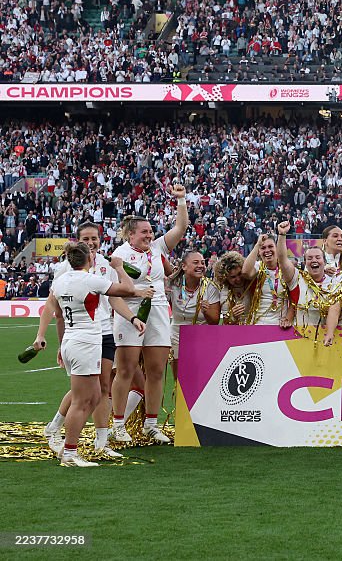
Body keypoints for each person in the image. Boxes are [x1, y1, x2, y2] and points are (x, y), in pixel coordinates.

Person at [41, 222, 153, 458]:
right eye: (87, 239)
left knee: (103, 387)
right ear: (79, 241)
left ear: (100, 240)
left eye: (95, 238)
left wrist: (132, 318)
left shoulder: (104, 263)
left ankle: (101, 442)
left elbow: (113, 298)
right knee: (84, 390)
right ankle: (54, 428)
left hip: (104, 332)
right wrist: (59, 342)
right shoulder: (65, 269)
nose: (91, 243)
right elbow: (55, 309)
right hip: (82, 336)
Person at [110, 183, 190, 445]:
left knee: (157, 371)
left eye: (150, 231)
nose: (149, 235)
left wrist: (181, 200)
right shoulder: (119, 256)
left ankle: (151, 425)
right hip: (129, 314)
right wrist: (133, 307)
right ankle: (118, 424)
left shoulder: (156, 249)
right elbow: (114, 295)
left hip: (157, 312)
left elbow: (181, 228)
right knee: (126, 370)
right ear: (130, 235)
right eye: (144, 232)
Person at [277, 221, 342, 339]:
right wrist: (282, 235)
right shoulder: (297, 278)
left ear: (325, 262)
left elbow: (336, 311)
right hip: (300, 337)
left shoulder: (335, 284)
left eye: (318, 257)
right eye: (310, 258)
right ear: (305, 263)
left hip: (326, 339)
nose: (314, 260)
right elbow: (282, 259)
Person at [168, 251, 220, 378]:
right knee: (179, 379)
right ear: (184, 266)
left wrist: (206, 311)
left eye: (202, 263)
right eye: (196, 262)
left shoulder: (210, 287)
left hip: (202, 337)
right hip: (177, 335)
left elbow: (214, 321)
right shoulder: (173, 285)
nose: (201, 266)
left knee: (202, 377)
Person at [242, 231, 289, 325]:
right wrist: (257, 245)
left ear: (277, 248)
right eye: (263, 248)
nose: (267, 250)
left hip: (281, 325)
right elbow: (245, 272)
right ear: (259, 252)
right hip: (258, 323)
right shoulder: (257, 267)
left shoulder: (285, 269)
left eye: (271, 246)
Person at [210, 251, 251, 324]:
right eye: (233, 277)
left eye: (239, 274)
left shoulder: (253, 284)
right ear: (225, 278)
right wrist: (232, 316)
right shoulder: (224, 292)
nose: (238, 279)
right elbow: (224, 322)